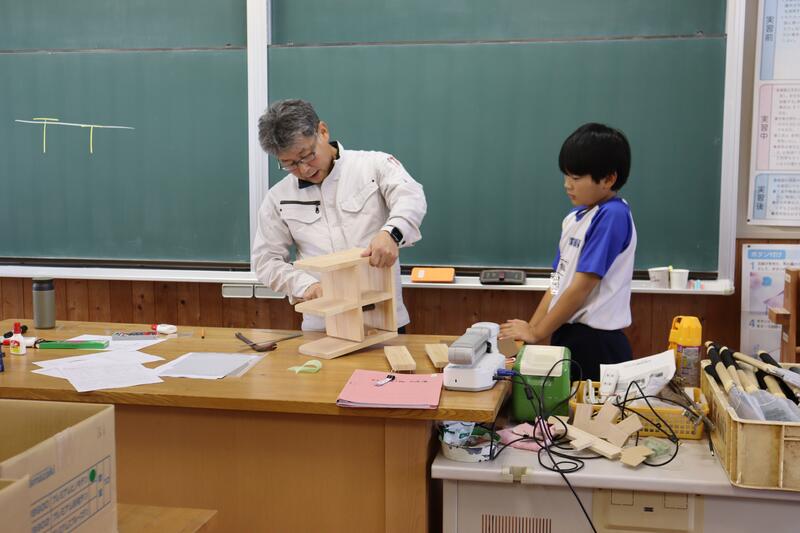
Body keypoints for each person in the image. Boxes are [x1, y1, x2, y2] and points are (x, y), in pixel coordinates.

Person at [251, 99, 427, 332]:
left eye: (307, 155)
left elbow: (411, 197)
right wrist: (307, 286)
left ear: (322, 131)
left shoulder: (374, 166)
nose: (304, 169)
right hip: (322, 327)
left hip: (383, 322)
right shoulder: (278, 197)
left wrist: (391, 234)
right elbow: (266, 261)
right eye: (290, 164)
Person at [499, 123, 636, 381]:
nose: (567, 185)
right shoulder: (573, 218)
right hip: (567, 335)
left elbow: (581, 287)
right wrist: (530, 330)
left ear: (609, 179)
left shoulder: (613, 215)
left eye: (576, 178)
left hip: (598, 343)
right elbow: (557, 281)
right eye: (566, 176)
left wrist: (536, 332)